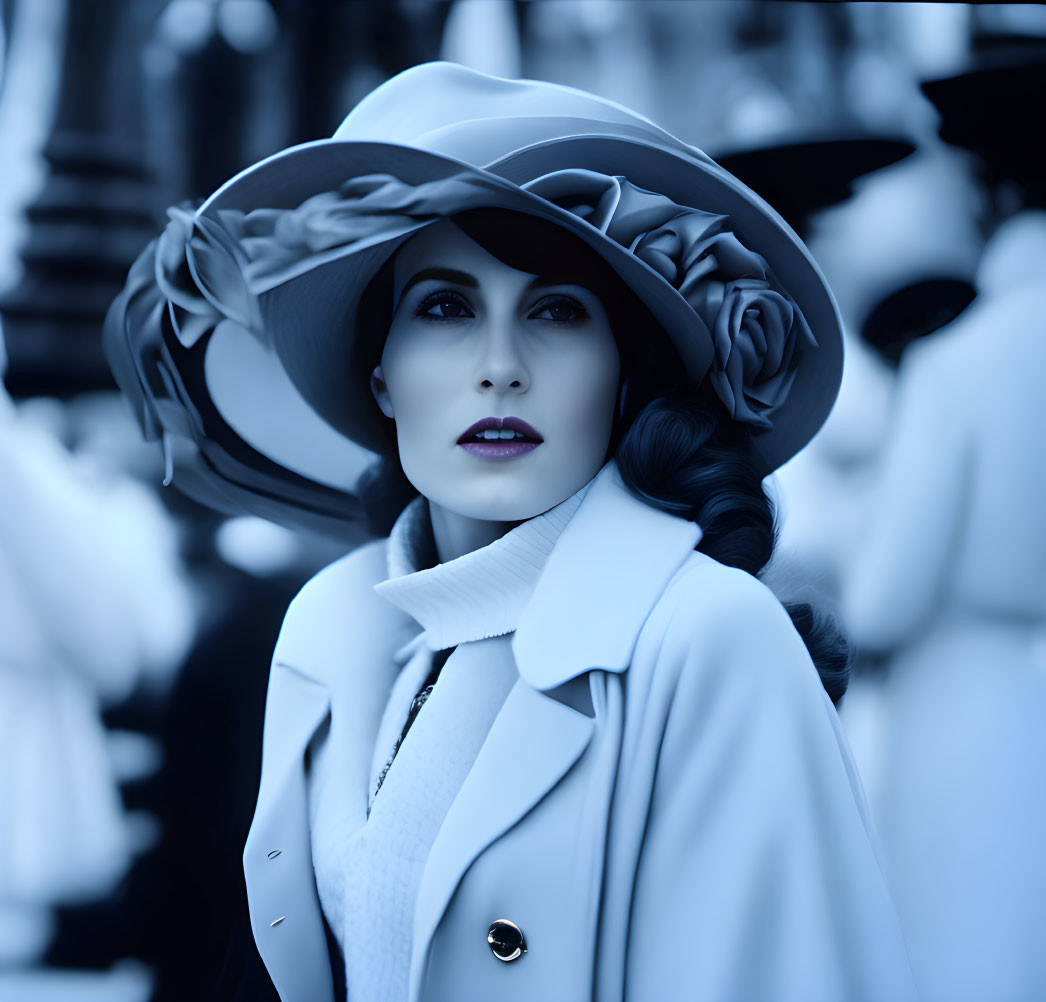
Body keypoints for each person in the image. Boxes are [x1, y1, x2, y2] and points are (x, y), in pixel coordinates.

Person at [104, 62, 917, 1002]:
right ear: (380, 378)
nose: (499, 366)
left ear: (623, 377)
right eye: (446, 308)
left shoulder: (706, 637)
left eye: (558, 310)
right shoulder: (339, 634)